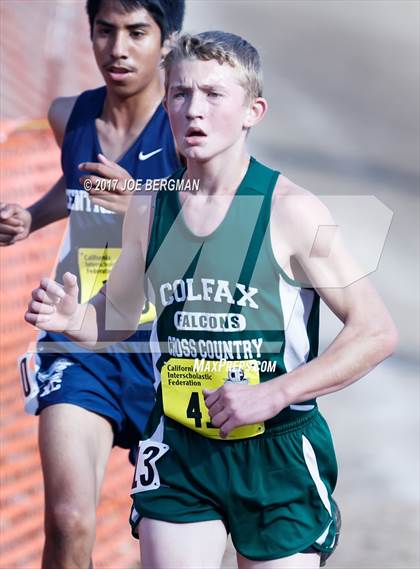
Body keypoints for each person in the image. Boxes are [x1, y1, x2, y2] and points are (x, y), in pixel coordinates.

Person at [25, 31, 398, 569]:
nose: (193, 110)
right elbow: (121, 319)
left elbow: (375, 331)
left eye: (213, 95)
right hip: (181, 449)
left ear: (253, 111)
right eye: (180, 94)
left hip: (275, 452)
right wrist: (76, 320)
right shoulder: (148, 211)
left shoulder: (294, 211)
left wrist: (273, 394)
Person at [1, 1, 185, 567]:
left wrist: (142, 207)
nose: (118, 48)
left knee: (170, 541)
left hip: (170, 349)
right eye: (105, 31)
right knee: (69, 520)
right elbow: (75, 184)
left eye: (137, 32)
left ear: (169, 41)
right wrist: (33, 215)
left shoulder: (188, 127)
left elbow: (222, 226)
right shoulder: (69, 116)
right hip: (80, 340)